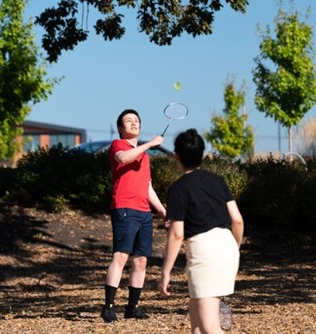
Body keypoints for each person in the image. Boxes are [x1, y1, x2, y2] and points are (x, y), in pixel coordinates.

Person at [158, 129, 244, 334]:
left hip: (204, 252)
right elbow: (238, 221)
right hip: (228, 245)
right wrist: (234, 248)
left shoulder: (178, 189)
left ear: (176, 156)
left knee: (209, 327)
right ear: (202, 155)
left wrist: (165, 272)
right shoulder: (218, 181)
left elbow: (177, 234)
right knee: (196, 318)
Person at [100, 109, 167, 323]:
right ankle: (108, 307)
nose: (134, 123)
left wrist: (162, 209)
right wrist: (149, 144)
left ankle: (132, 307)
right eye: (129, 121)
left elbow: (147, 187)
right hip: (124, 208)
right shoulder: (118, 145)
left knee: (141, 261)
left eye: (136, 120)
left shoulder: (144, 156)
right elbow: (123, 158)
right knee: (121, 256)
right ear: (121, 128)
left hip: (143, 212)